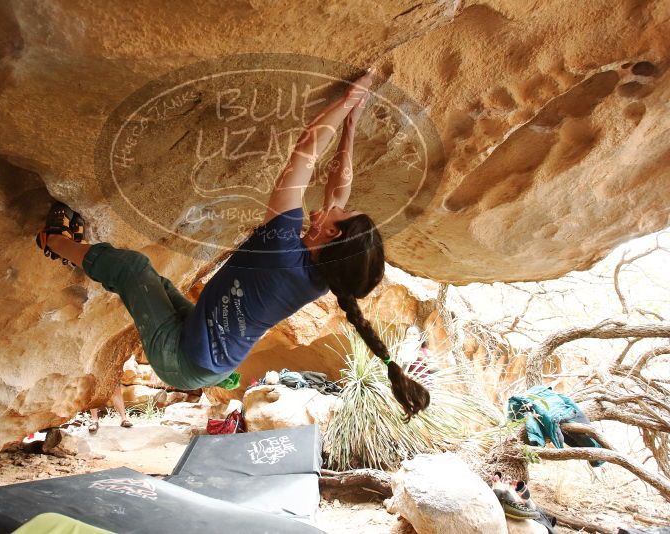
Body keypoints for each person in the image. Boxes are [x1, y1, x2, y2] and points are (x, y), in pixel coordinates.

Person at [35, 67, 430, 419]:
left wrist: (348, 101)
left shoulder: (281, 249)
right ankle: (78, 253)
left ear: (331, 235)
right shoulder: (322, 271)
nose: (334, 209)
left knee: (132, 269)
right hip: (206, 346)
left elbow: (306, 151)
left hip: (184, 361)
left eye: (340, 217)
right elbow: (338, 190)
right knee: (157, 285)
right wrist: (350, 125)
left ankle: (52, 240)